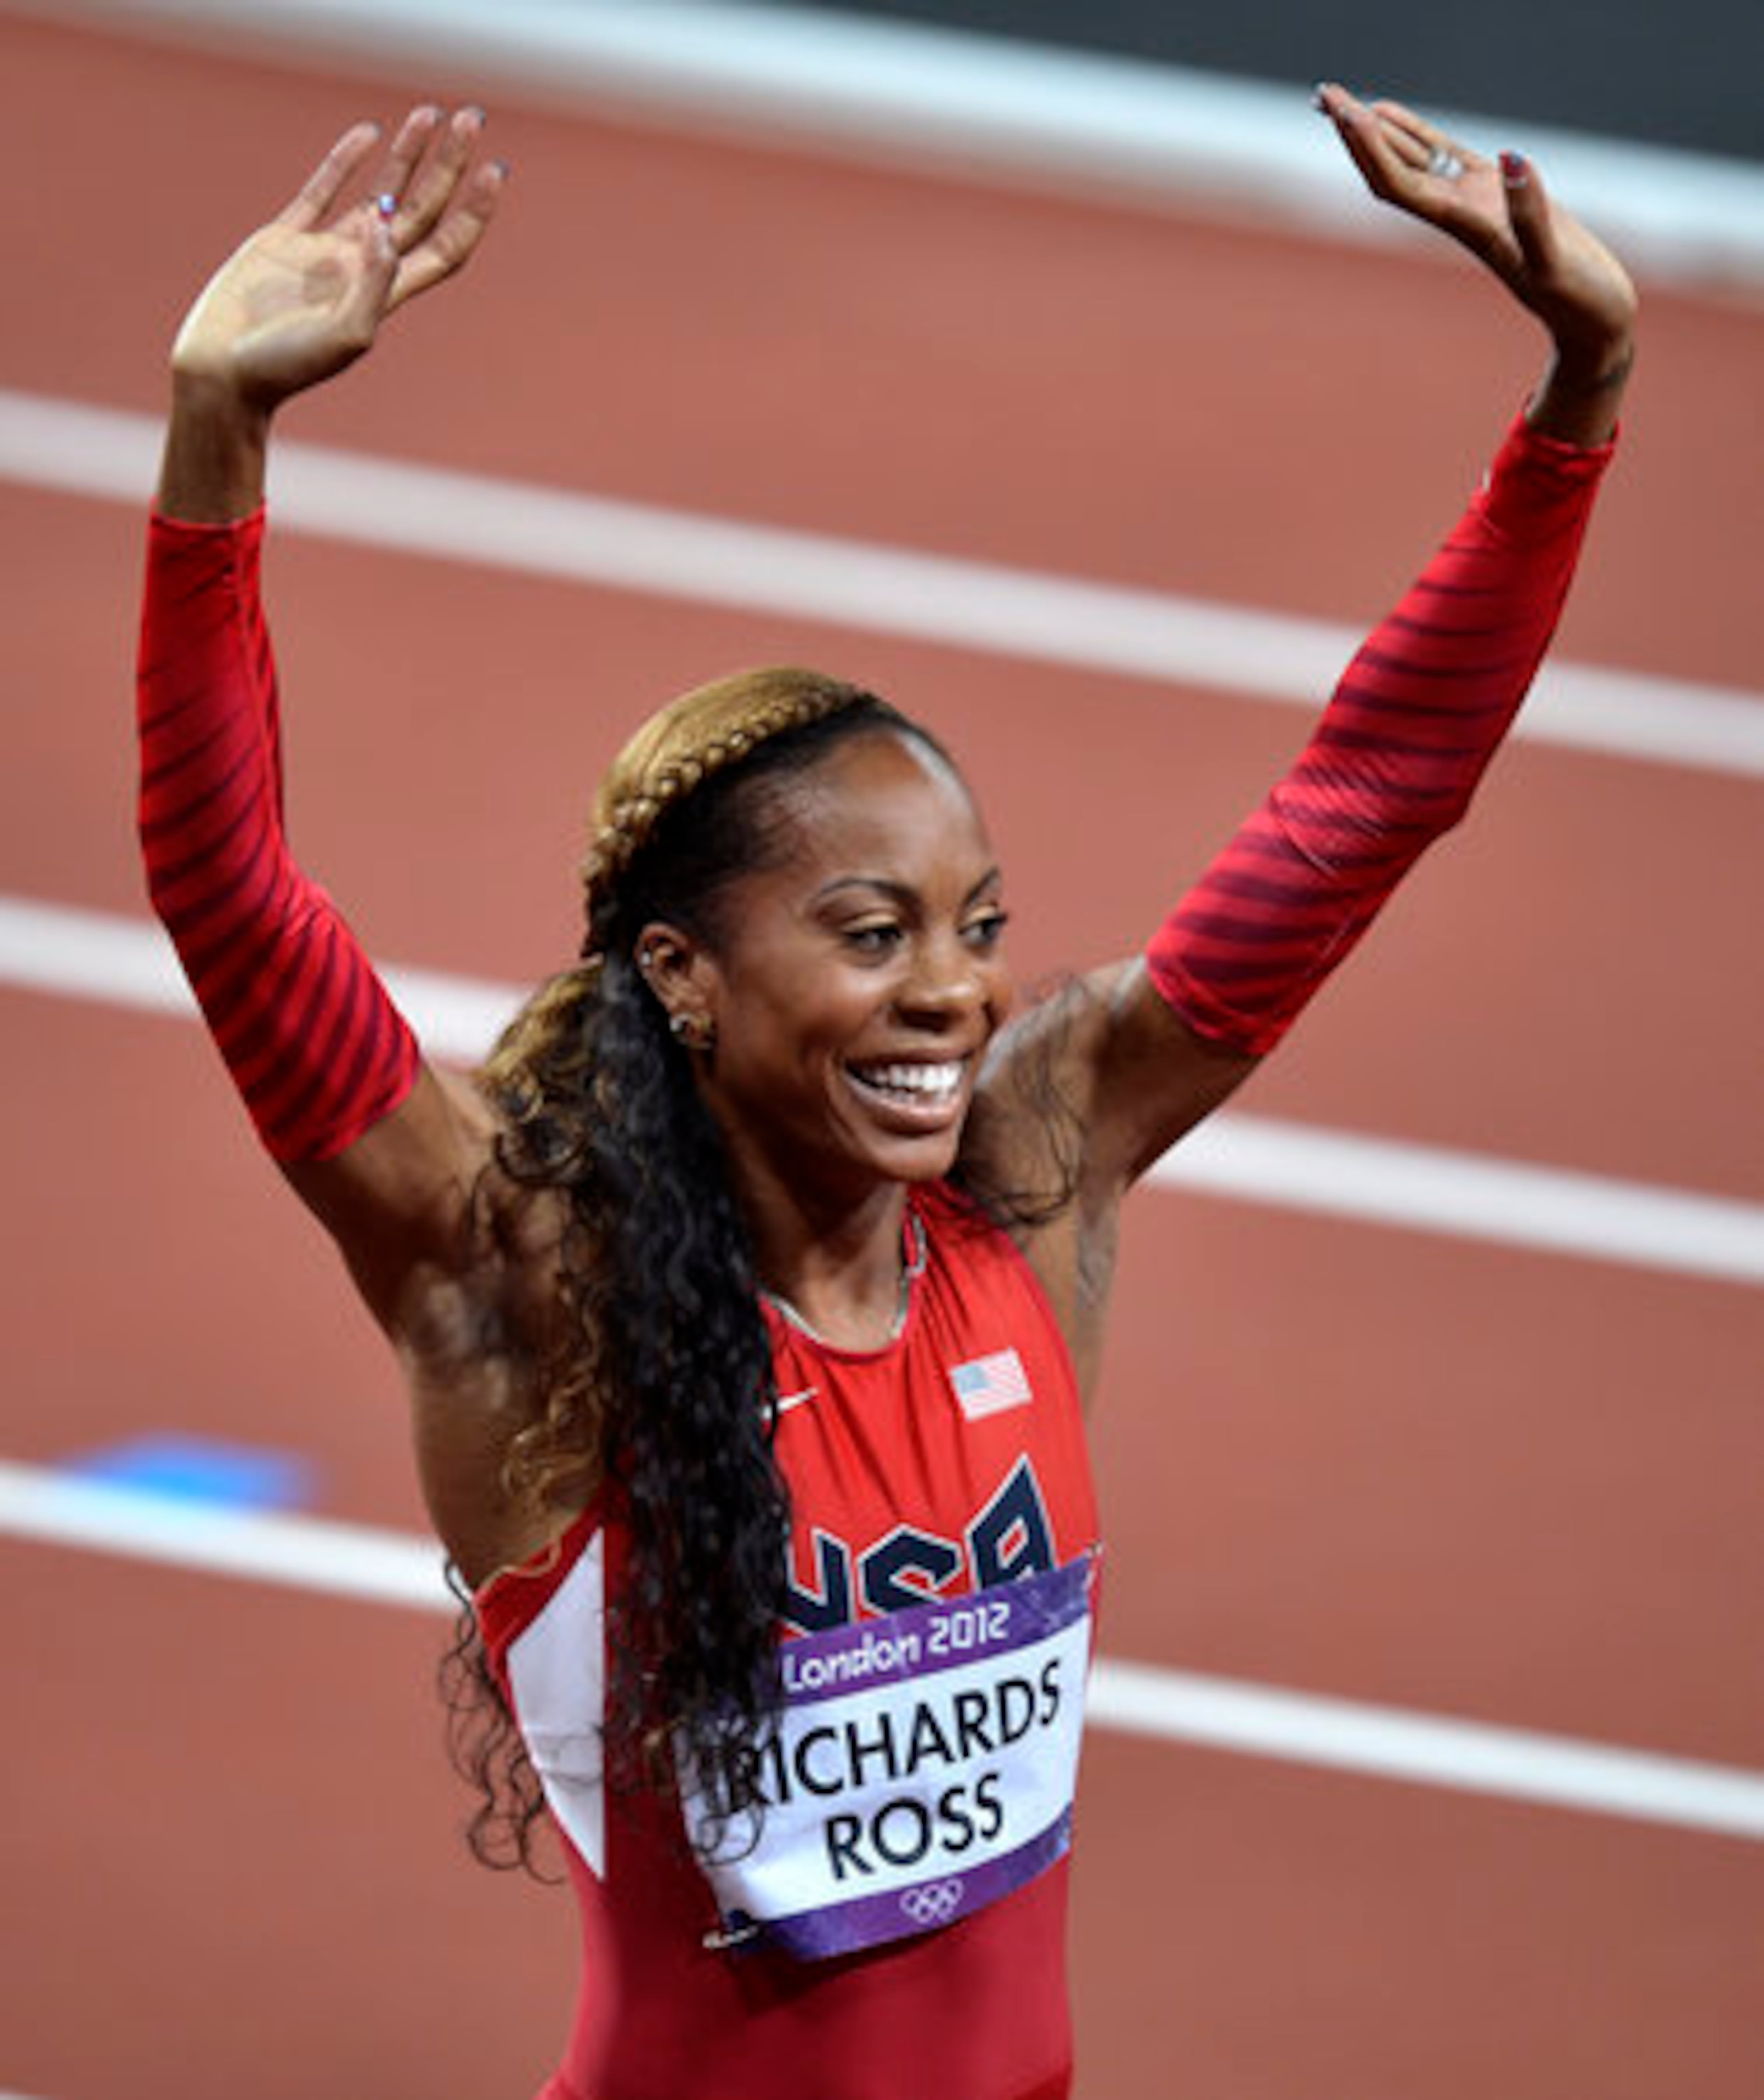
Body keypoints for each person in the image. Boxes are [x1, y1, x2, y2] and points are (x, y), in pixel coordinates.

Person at [137, 86, 1635, 2100]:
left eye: (975, 920)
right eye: (869, 932)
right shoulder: (521, 1294)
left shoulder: (1029, 1183)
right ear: (681, 972)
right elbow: (230, 895)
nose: (956, 990)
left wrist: (1585, 390)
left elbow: (1367, 796)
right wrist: (216, 444)